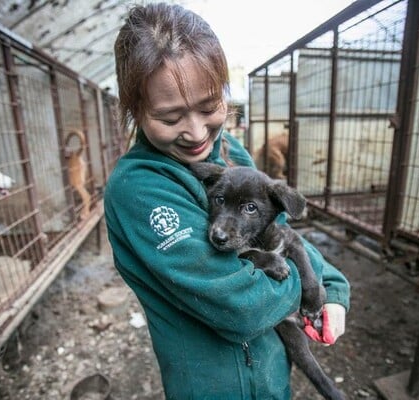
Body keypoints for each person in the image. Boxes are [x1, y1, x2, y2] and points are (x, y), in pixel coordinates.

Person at [105, 3, 350, 399]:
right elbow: (243, 307)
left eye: (209, 106)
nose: (197, 132)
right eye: (171, 118)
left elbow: (277, 232)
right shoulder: (140, 188)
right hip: (212, 386)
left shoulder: (230, 151)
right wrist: (308, 287)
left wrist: (330, 289)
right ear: (135, 109)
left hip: (270, 373)